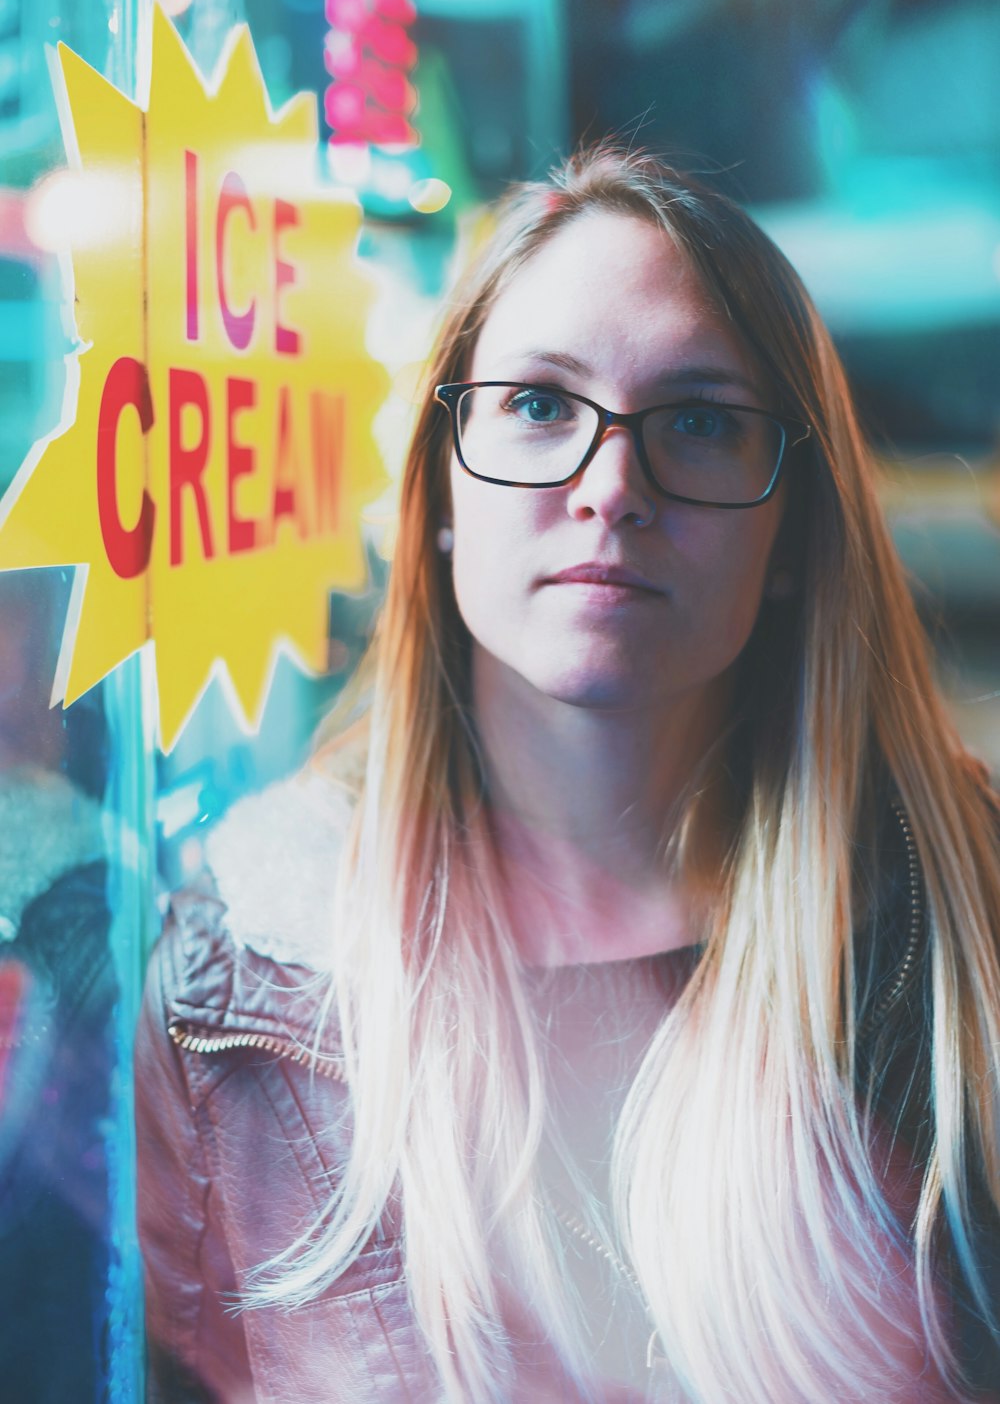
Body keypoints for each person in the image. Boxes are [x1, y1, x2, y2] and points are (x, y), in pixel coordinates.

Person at [136, 145, 1000, 1404]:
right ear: (437, 483)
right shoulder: (231, 991)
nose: (610, 489)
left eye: (697, 421)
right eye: (540, 404)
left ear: (794, 531)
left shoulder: (967, 929)